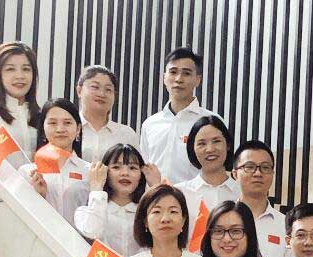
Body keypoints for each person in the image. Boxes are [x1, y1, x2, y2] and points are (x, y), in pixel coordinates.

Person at [139, 47, 220, 184]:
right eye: (173, 72)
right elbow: (144, 168)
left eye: (186, 73)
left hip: (196, 197)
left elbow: (220, 170)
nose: (178, 79)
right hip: (156, 196)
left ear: (197, 80)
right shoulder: (150, 124)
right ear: (164, 78)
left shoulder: (211, 123)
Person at [121, 184, 201, 257]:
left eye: (173, 211)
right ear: (145, 221)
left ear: (183, 220)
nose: (165, 219)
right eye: (157, 212)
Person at [20, 98, 90, 225]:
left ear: (78, 129)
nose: (60, 129)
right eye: (52, 123)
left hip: (77, 238)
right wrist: (38, 196)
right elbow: (20, 217)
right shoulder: (27, 172)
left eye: (67, 123)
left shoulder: (90, 171)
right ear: (43, 129)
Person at [74, 143, 147, 256]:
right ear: (105, 172)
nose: (125, 173)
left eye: (132, 168)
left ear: (141, 174)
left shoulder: (148, 212)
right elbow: (93, 231)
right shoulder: (84, 212)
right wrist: (96, 187)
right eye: (116, 167)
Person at [232, 139, 289, 257]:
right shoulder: (221, 220)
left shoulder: (286, 225)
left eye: (265, 167)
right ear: (235, 174)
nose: (258, 173)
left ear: (273, 174)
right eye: (249, 167)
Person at [175, 116, 240, 233]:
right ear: (192, 149)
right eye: (201, 143)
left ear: (228, 145)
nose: (210, 149)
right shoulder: (179, 193)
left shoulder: (242, 192)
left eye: (216, 141)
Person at [76, 65, 144, 165]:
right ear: (79, 91)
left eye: (108, 90)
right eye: (95, 87)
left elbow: (135, 169)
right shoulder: (67, 129)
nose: (101, 94)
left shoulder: (126, 134)